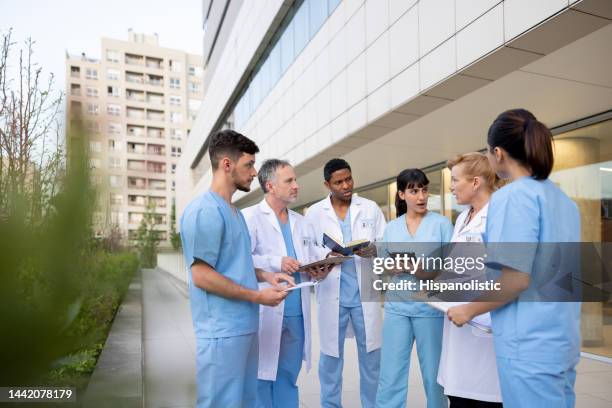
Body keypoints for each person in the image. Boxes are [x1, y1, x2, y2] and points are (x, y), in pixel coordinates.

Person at [447, 109, 581, 408]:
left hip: (528, 346)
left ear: (498, 153)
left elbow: (515, 279)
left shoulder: (512, 197)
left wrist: (467, 311)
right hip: (561, 340)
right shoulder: (563, 201)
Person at [180, 130, 295, 408]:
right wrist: (258, 296)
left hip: (244, 327)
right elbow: (202, 275)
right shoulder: (205, 211)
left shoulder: (234, 213)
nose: (255, 172)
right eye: (249, 165)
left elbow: (238, 262)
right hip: (221, 332)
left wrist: (267, 275)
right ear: (227, 165)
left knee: (245, 402)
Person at [243, 159, 332, 408]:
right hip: (268, 308)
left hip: (296, 313)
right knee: (262, 376)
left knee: (287, 377)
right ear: (270, 185)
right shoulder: (250, 217)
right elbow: (240, 260)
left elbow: (311, 256)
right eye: (289, 181)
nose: (296, 185)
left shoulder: (301, 222)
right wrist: (276, 261)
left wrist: (319, 267)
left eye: (295, 180)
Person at [305, 158, 385, 408]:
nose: (346, 185)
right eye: (338, 182)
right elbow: (308, 249)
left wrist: (374, 249)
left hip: (364, 297)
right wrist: (326, 257)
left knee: (371, 360)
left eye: (348, 179)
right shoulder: (315, 213)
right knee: (330, 360)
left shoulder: (370, 208)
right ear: (327, 184)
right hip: (333, 295)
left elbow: (385, 243)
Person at [376, 168, 453, 408]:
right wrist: (392, 265)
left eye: (424, 190)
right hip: (396, 308)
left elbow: (452, 267)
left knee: (434, 378)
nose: (421, 196)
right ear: (401, 195)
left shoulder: (441, 225)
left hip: (429, 309)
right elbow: (382, 263)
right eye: (413, 190)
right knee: (390, 376)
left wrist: (419, 269)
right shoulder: (391, 227)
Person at [437, 153, 502, 407]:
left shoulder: (497, 215)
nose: (451, 186)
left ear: (475, 182)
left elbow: (505, 277)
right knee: (458, 397)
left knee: (483, 399)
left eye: (455, 180)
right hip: (459, 322)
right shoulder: (463, 217)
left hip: (484, 326)